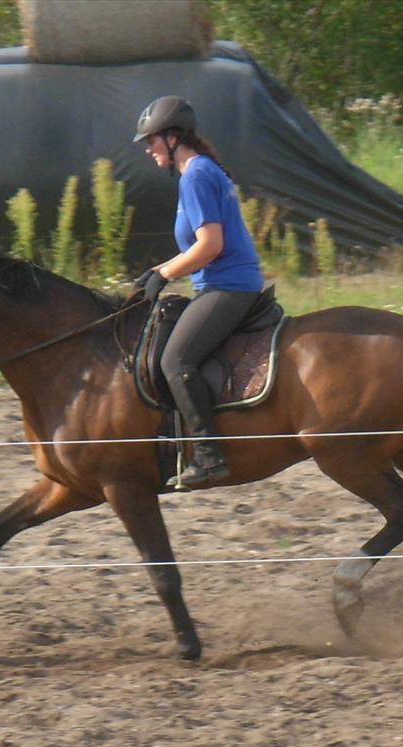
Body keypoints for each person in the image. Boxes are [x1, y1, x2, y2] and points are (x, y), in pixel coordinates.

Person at [132, 95, 264, 489]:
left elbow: (211, 245)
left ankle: (208, 456)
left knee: (175, 360)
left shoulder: (195, 175)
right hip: (219, 283)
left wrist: (168, 273)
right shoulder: (200, 171)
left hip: (229, 286)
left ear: (173, 137)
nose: (148, 149)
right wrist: (158, 271)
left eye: (151, 141)